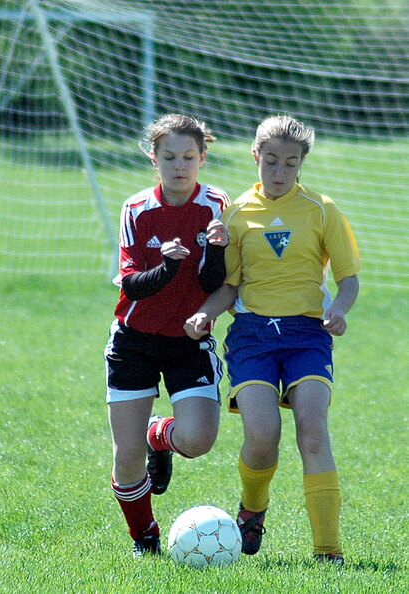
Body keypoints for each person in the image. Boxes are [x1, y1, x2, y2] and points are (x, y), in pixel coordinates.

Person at [184, 114, 360, 565]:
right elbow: (230, 287)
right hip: (253, 336)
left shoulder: (322, 210)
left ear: (302, 163)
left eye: (291, 164)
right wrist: (206, 312)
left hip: (307, 335)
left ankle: (328, 551)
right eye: (272, 162)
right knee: (262, 436)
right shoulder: (237, 214)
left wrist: (339, 309)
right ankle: (253, 507)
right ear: (255, 156)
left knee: (313, 433)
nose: (280, 172)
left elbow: (349, 279)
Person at [104, 114, 230, 557]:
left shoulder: (216, 205)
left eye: (189, 157)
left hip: (187, 341)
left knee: (197, 441)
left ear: (203, 158)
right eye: (170, 157)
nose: (180, 165)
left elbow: (215, 281)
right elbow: (132, 285)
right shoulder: (136, 209)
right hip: (134, 339)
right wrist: (168, 266)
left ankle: (158, 435)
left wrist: (217, 249)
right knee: (126, 458)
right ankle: (145, 536)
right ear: (153, 159)